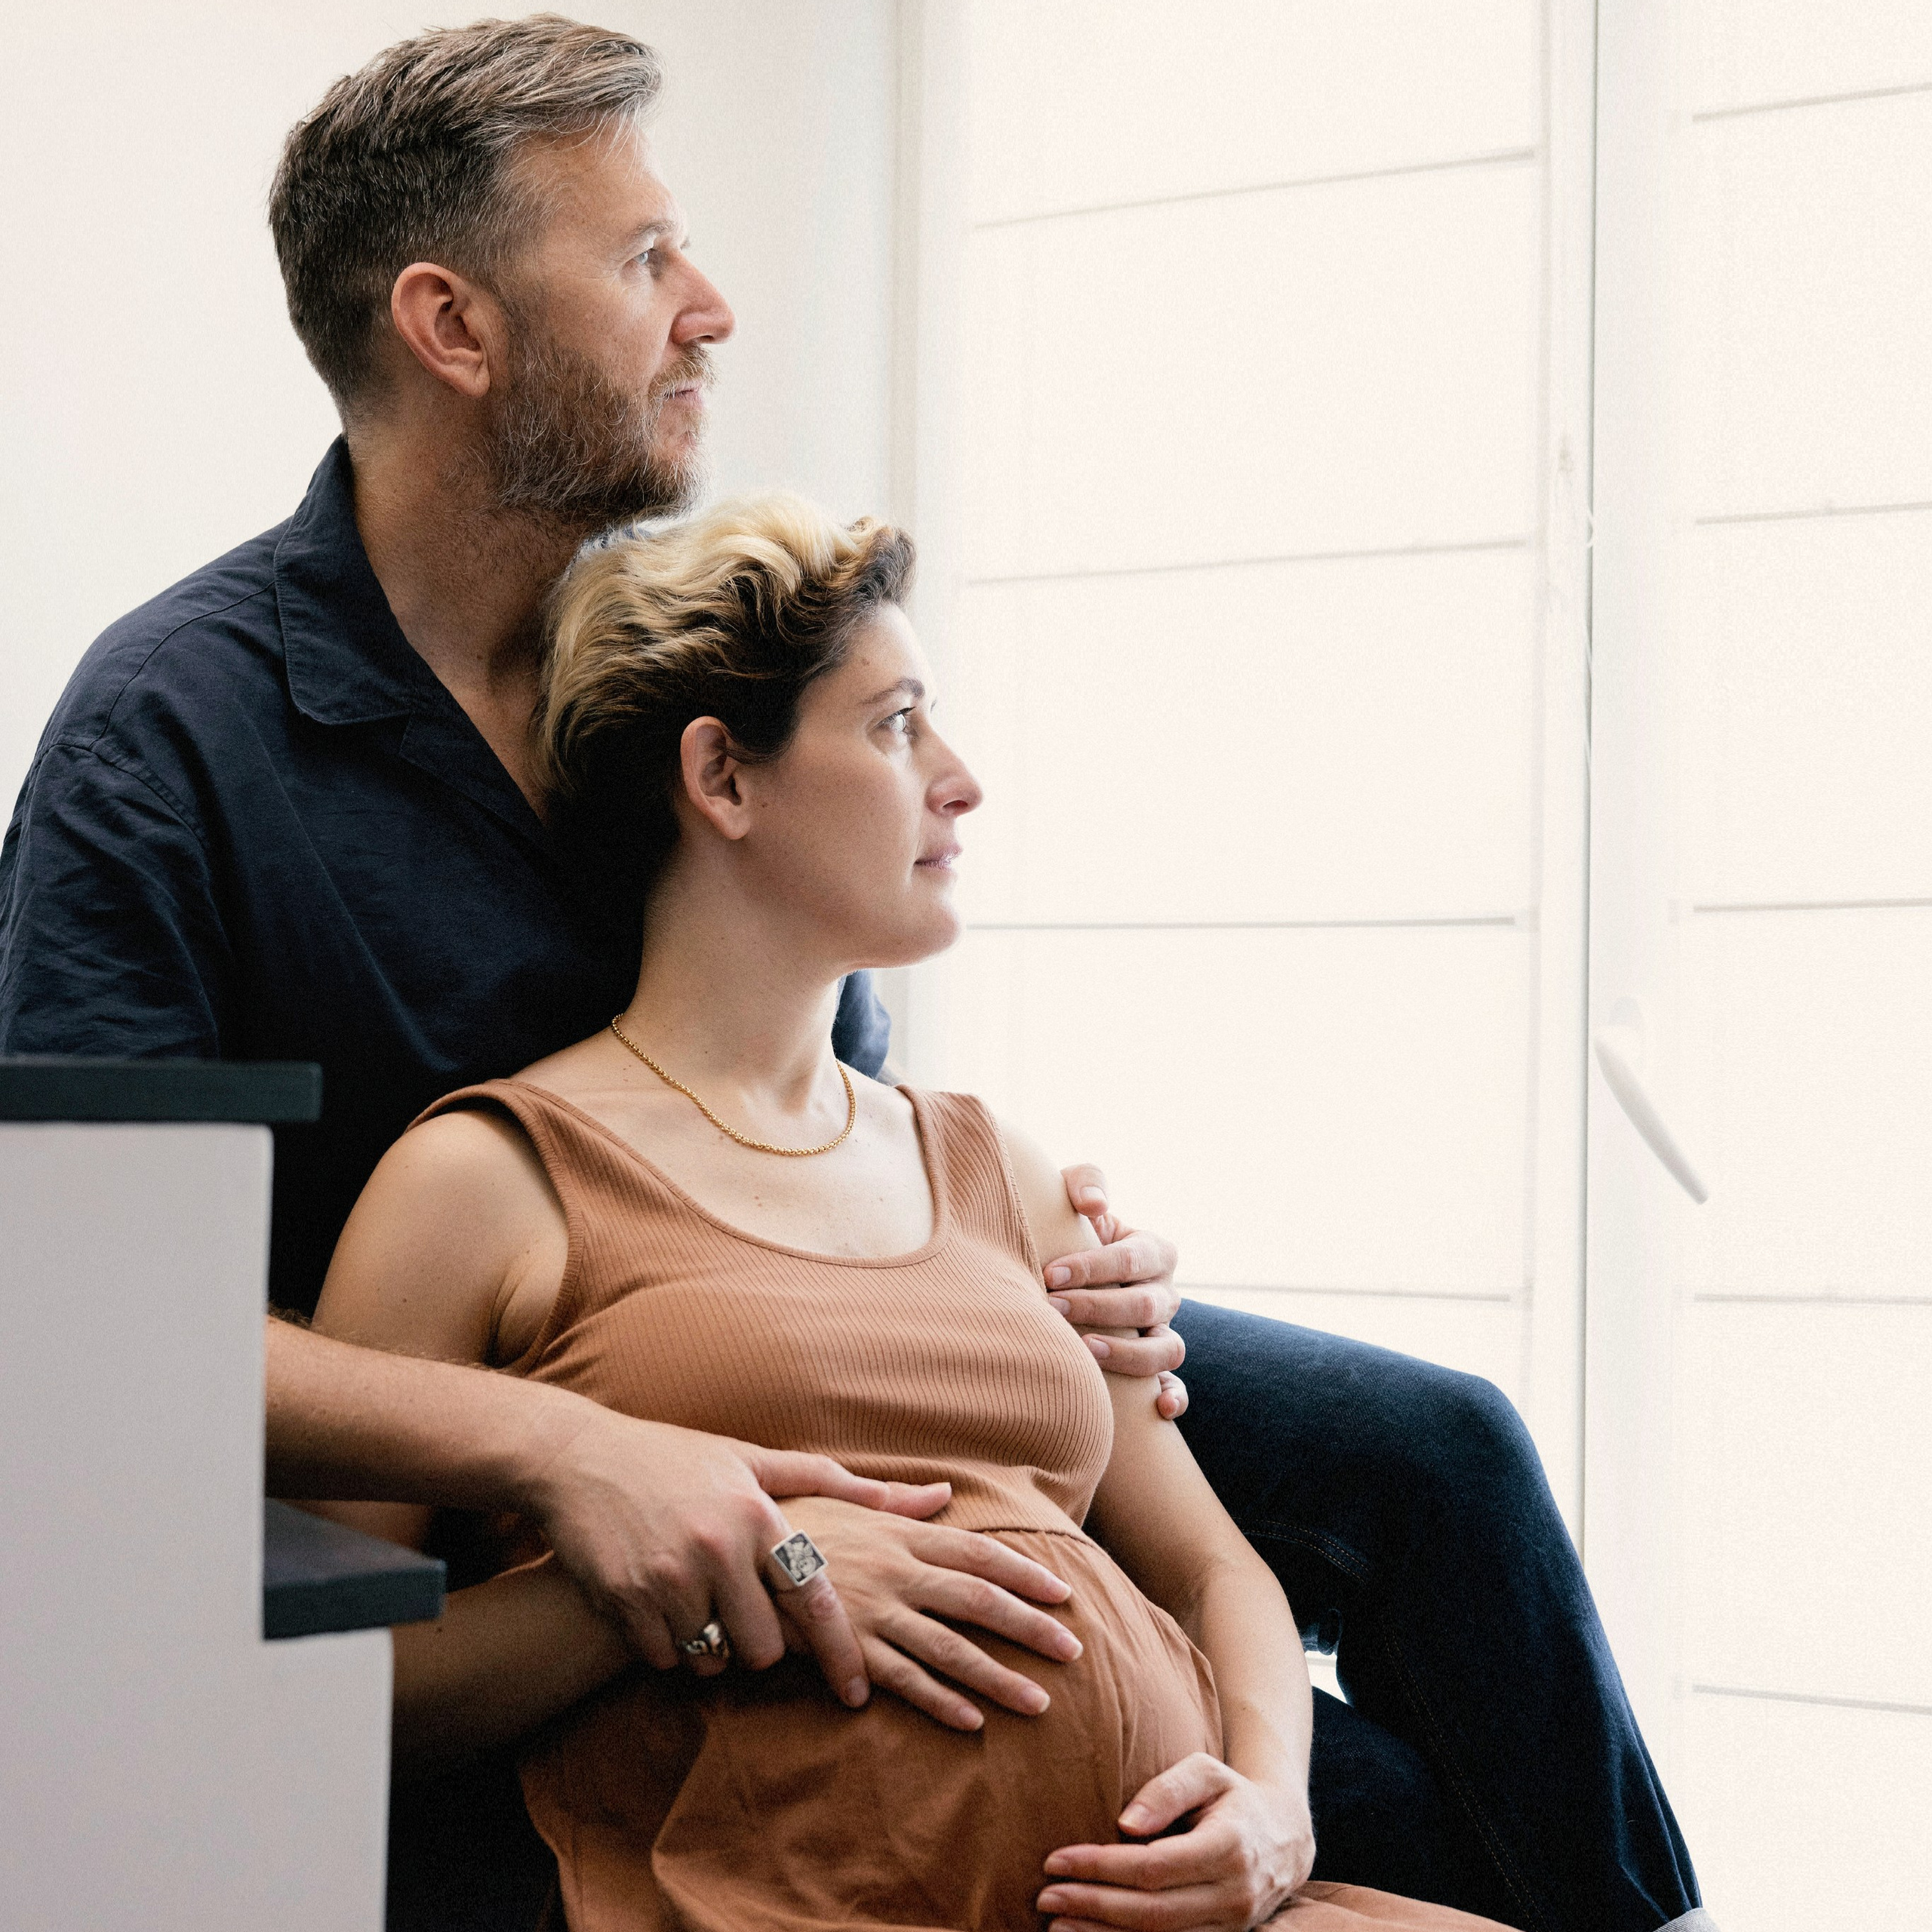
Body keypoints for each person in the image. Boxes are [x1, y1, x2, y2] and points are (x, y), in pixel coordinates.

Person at [0, 17, 1710, 1932]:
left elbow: (825, 1092)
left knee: (1431, 1463)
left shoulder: (652, 676)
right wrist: (579, 1446)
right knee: (1416, 1789)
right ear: (451, 325)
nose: (707, 308)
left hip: (798, 1338)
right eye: (643, 258)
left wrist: (1052, 1280)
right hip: (471, 1403)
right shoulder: (177, 735)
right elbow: (86, 1337)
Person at [310, 489, 1515, 1932]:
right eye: (894, 725)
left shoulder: (995, 1164)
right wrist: (709, 1578)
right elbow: (315, 1684)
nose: (960, 779)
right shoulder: (492, 1180)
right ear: (724, 779)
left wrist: (1270, 1808)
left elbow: (1210, 1565)